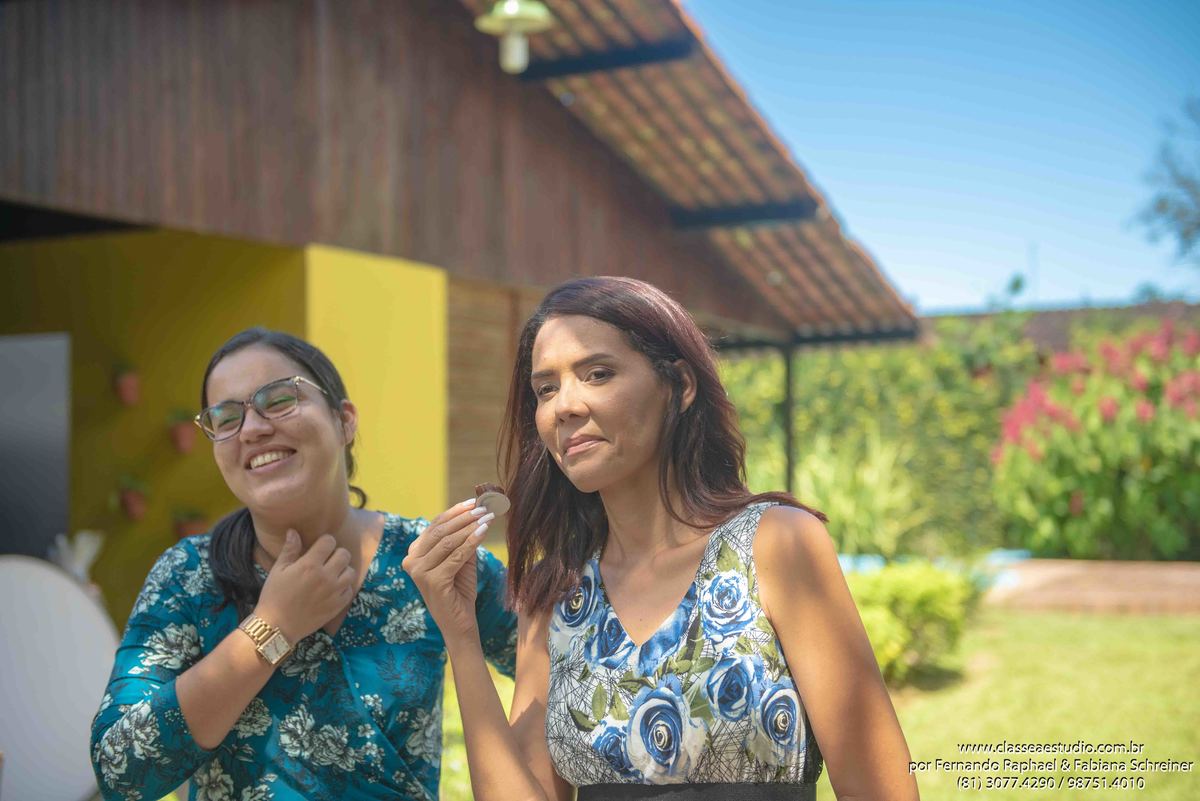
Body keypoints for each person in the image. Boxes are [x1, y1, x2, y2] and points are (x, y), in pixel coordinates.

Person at [405, 277, 919, 800]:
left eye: (597, 374)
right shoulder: (556, 592)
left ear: (679, 384)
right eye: (546, 389)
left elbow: (881, 790)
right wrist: (461, 637)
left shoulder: (772, 544)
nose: (565, 406)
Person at [90, 328, 517, 801]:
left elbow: (561, 672)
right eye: (226, 417)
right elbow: (120, 772)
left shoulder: (429, 561)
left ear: (345, 420)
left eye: (277, 400)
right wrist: (272, 628)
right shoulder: (188, 577)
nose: (252, 428)